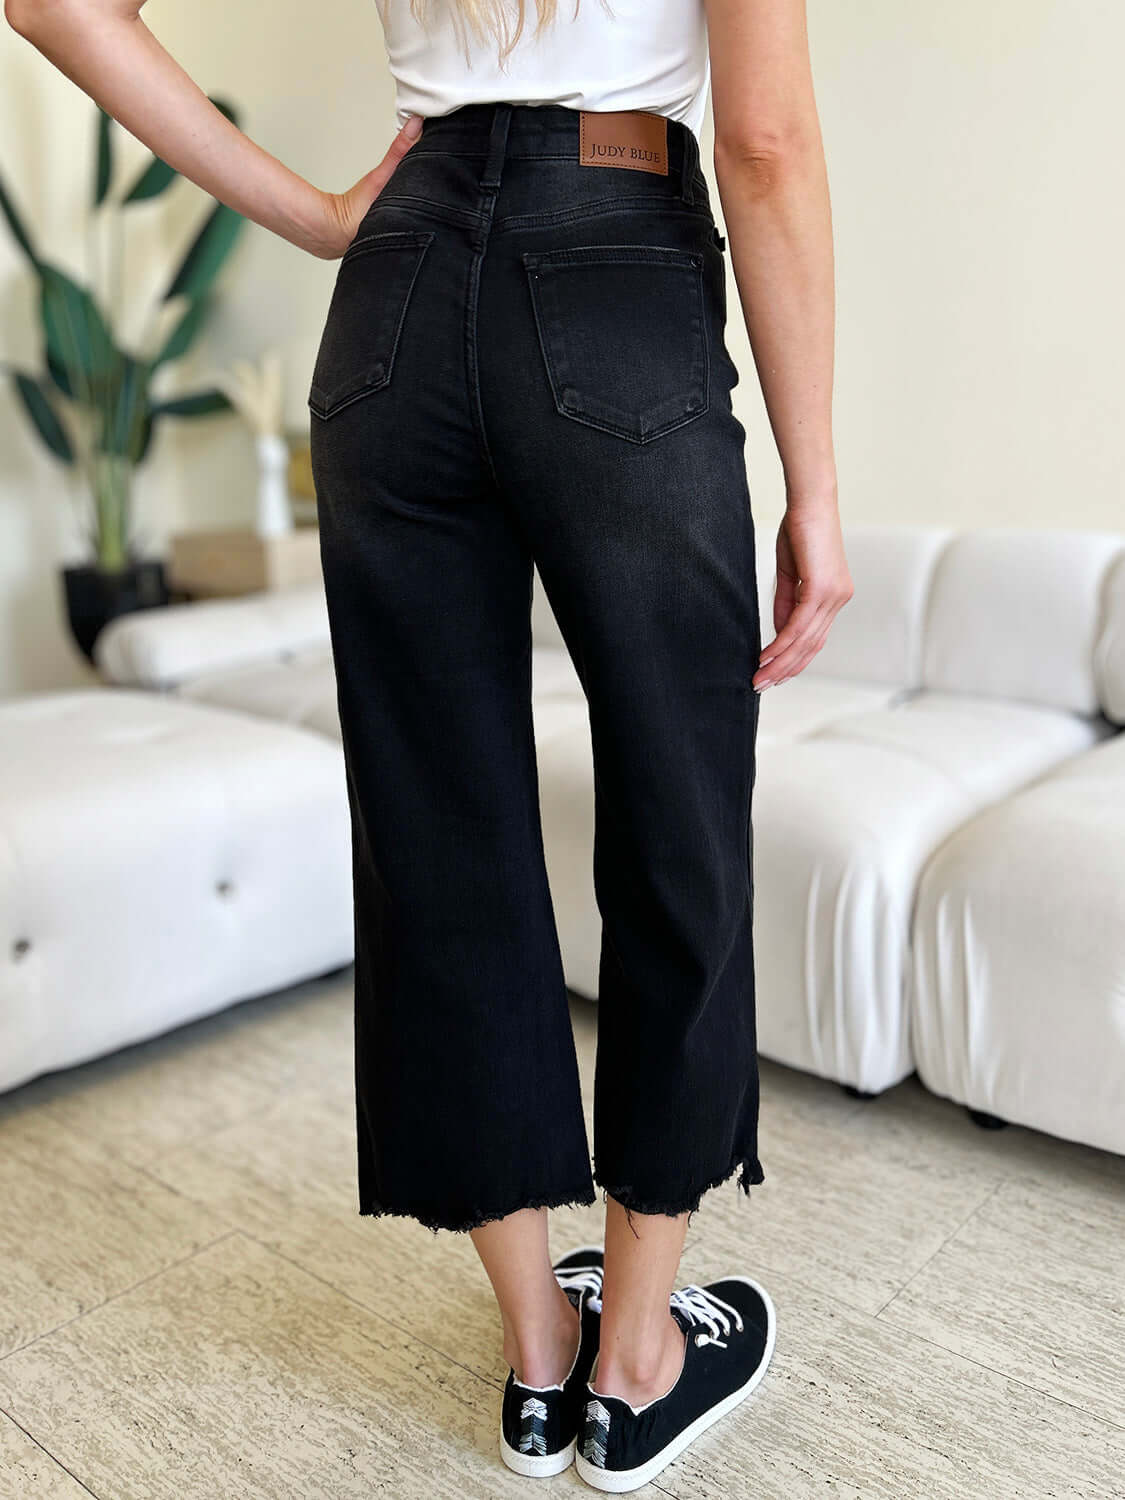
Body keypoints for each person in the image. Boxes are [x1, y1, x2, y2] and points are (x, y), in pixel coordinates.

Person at [9, 0, 852, 1488]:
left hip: (394, 294)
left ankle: (538, 1357)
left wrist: (324, 217)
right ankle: (639, 1355)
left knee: (436, 836)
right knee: (679, 816)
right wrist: (818, 490)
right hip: (619, 274)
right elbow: (768, 146)